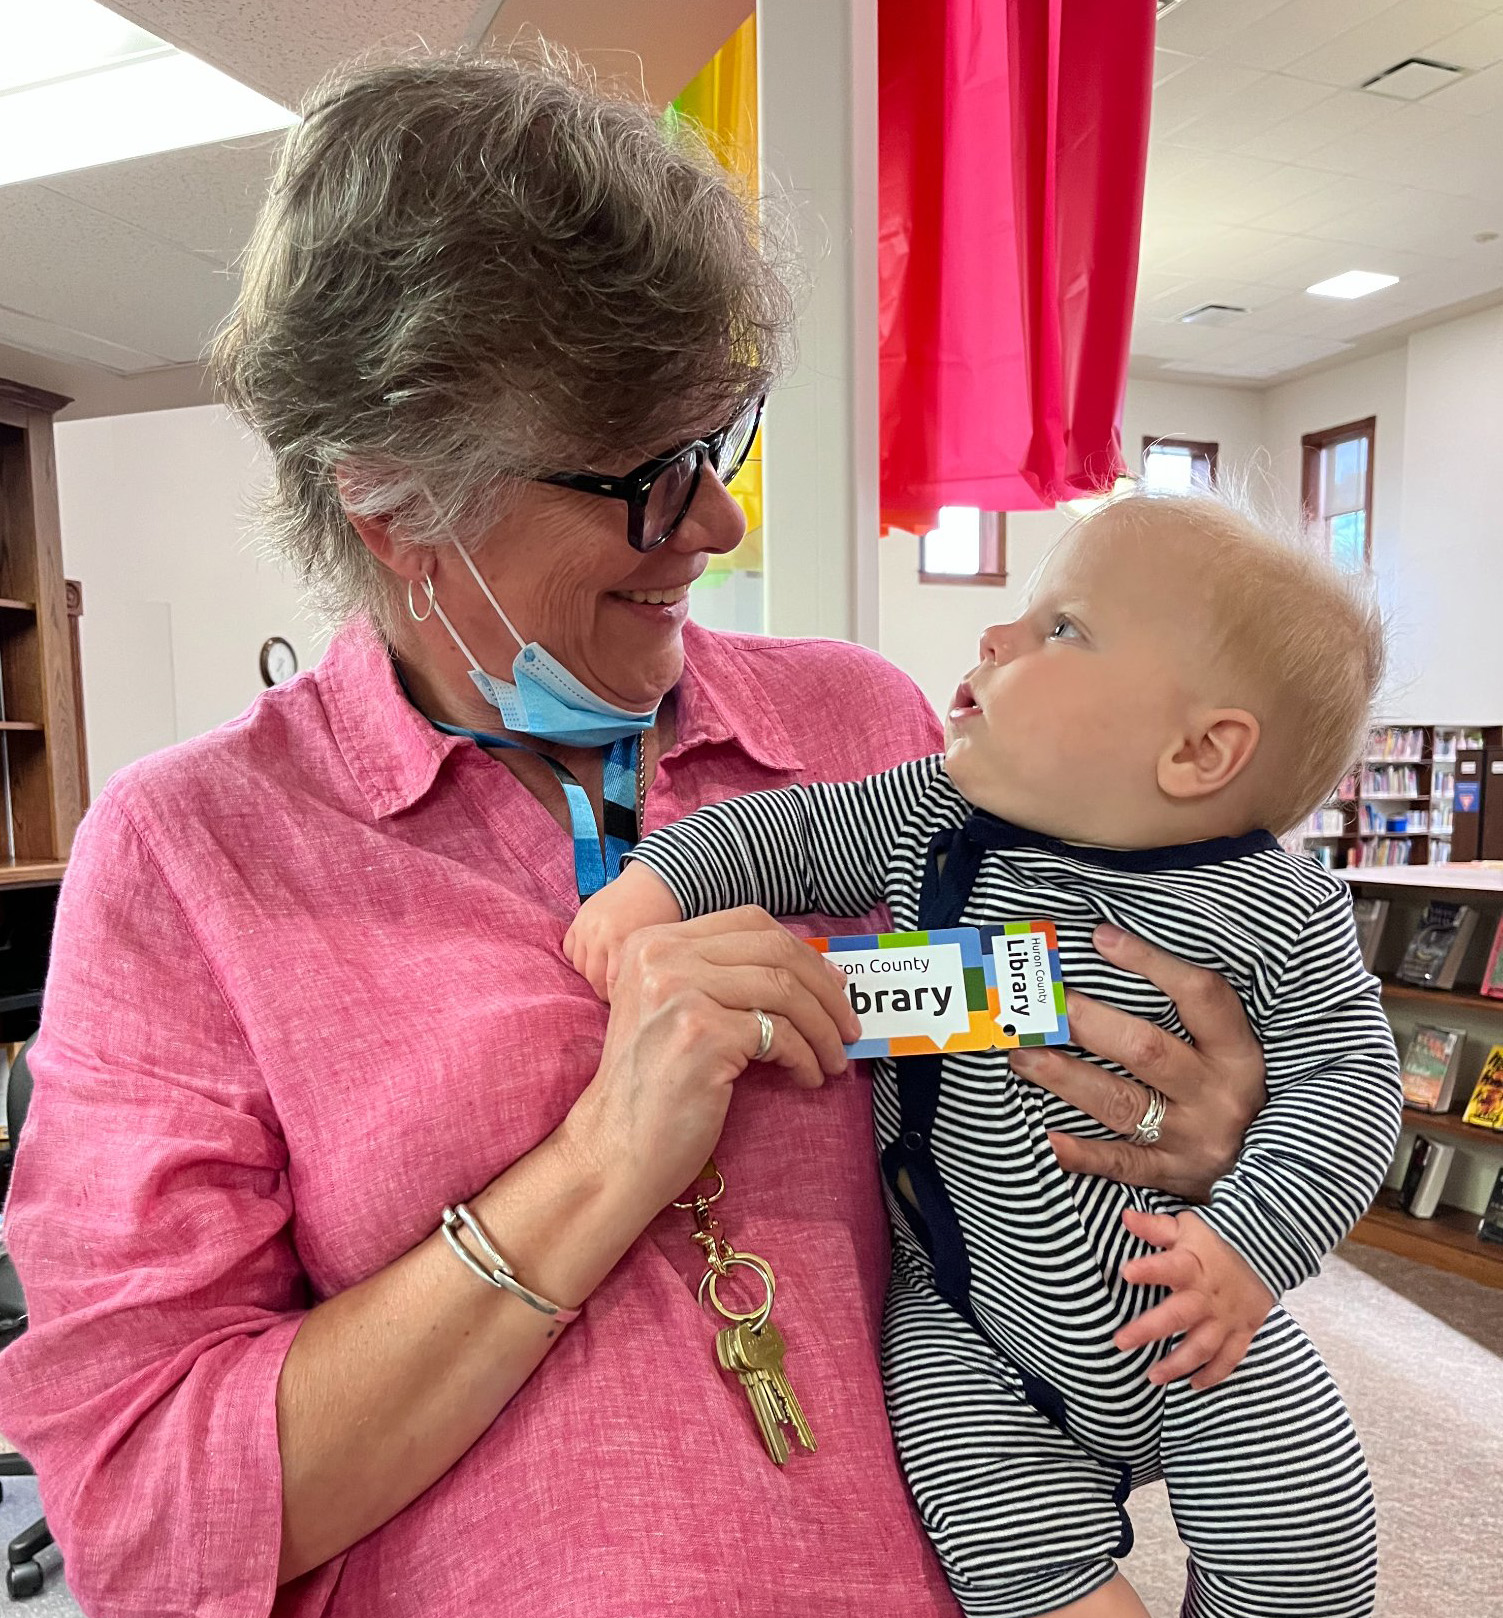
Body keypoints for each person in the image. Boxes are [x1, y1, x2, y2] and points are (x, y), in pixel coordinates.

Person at [0, 50, 1268, 1618]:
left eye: (716, 439)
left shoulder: (863, 737)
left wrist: (1195, 1128)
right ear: (391, 498)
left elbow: (1048, 1114)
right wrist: (603, 1154)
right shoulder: (195, 854)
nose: (719, 525)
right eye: (644, 476)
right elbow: (147, 1499)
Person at [567, 493, 1403, 1618]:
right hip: (971, 1317)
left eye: (1064, 628)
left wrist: (1249, 1246)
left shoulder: (1281, 909)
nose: (996, 638)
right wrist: (657, 883)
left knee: (1307, 1532)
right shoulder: (931, 813)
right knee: (989, 1514)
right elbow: (782, 833)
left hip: (1190, 1303)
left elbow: (1351, 1091)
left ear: (1201, 750)